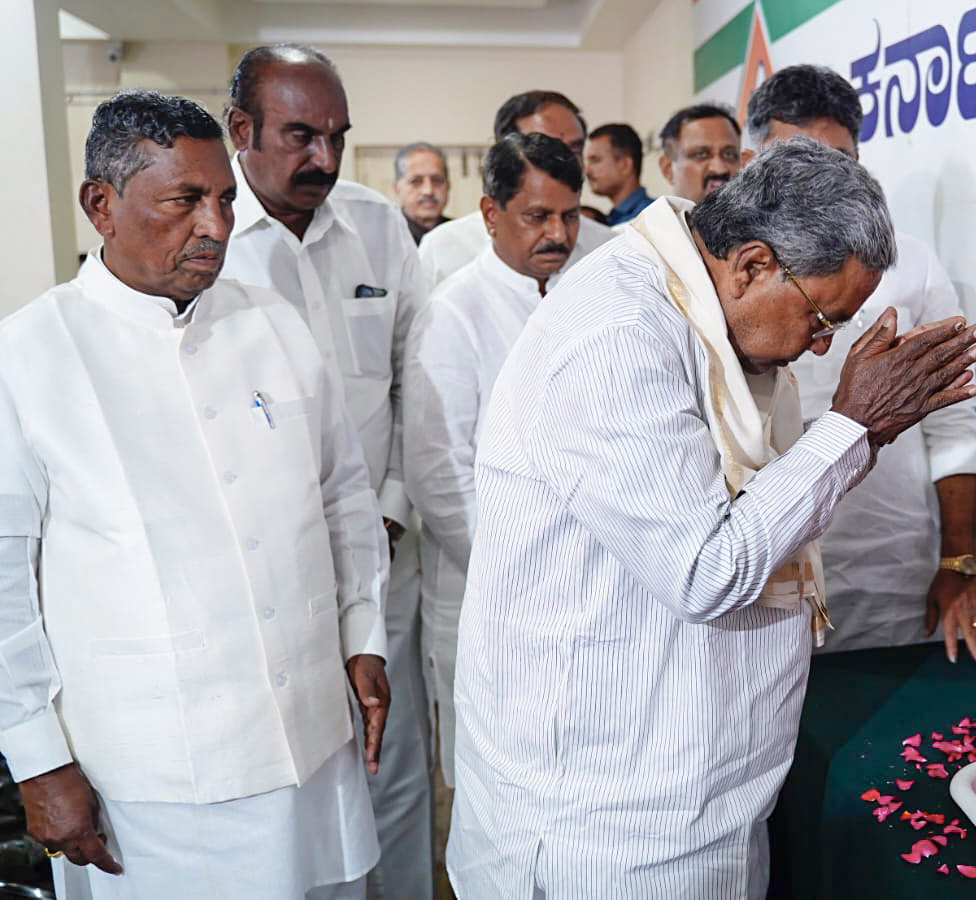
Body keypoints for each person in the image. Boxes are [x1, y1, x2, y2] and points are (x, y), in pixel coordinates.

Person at [446, 140, 976, 898]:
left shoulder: (691, 306)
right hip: (607, 833)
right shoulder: (619, 337)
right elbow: (705, 569)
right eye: (821, 316)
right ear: (753, 264)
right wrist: (855, 426)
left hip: (691, 801)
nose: (822, 343)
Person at [0, 90, 389, 900]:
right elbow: (4, 583)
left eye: (223, 200)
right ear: (100, 206)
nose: (216, 226)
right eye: (185, 201)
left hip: (312, 740)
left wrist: (363, 635)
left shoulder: (270, 321)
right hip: (154, 773)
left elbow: (343, 497)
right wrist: (36, 759)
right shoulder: (31, 354)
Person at [217, 44, 430, 898]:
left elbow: (423, 377)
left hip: (384, 549)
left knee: (401, 768)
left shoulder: (377, 226)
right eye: (301, 136)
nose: (326, 160)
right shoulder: (209, 243)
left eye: (339, 136)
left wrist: (393, 501)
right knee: (296, 775)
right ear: (242, 130)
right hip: (269, 569)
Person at [744, 65, 976, 660]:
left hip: (885, 564)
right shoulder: (731, 266)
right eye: (799, 160)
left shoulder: (910, 264)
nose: (823, 183)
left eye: (839, 160)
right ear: (756, 162)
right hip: (753, 569)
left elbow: (953, 422)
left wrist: (958, 560)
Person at [402, 132, 583, 790]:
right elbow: (437, 476)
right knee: (492, 788)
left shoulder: (583, 296)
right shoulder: (454, 312)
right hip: (488, 594)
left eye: (570, 214)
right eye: (538, 216)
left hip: (577, 596)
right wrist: (522, 573)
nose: (558, 233)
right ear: (489, 214)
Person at [417, 90, 613, 285]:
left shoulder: (609, 249)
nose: (564, 162)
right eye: (541, 148)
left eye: (575, 149)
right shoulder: (443, 250)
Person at [659, 102, 743, 202]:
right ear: (668, 170)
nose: (719, 169)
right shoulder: (648, 217)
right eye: (701, 154)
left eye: (729, 155)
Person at [585, 123, 650, 225]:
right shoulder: (611, 219)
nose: (587, 171)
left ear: (625, 165)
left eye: (595, 160)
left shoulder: (652, 216)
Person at [393, 142, 451, 244]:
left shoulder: (462, 235)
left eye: (437, 180)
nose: (428, 191)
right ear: (397, 189)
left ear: (448, 186)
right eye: (416, 181)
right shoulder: (384, 236)